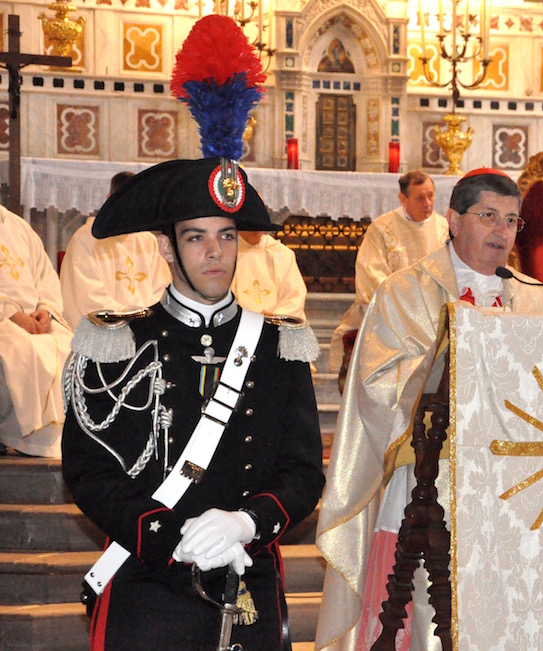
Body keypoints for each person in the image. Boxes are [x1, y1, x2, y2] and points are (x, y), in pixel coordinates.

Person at [60, 15, 325, 650]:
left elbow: (303, 471)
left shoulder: (278, 344)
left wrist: (245, 522)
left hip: (248, 574)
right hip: (150, 583)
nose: (215, 253)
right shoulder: (116, 340)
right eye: (196, 237)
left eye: (227, 237)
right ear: (166, 248)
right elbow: (89, 471)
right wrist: (165, 536)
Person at [314, 169, 543, 651]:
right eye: (488, 216)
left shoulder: (540, 300)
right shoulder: (404, 292)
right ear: (453, 220)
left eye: (512, 220)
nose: (502, 231)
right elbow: (373, 385)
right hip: (429, 481)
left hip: (519, 490)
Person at [327, 170, 449, 373]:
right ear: (403, 198)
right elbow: (371, 274)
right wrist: (405, 302)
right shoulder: (382, 228)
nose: (427, 203)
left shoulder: (443, 228)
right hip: (393, 310)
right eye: (420, 198)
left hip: (434, 310)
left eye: (431, 196)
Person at [0, 205, 74, 457]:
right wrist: (11, 314)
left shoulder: (19, 227)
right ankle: (14, 434)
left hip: (34, 320)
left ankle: (54, 439)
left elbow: (46, 278)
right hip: (4, 319)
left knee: (70, 346)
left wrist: (46, 310)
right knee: (20, 349)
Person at [60, 171, 172, 328]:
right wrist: (129, 318)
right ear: (108, 199)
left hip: (147, 328)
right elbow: (87, 296)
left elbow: (162, 290)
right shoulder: (86, 239)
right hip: (104, 331)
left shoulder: (148, 240)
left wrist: (146, 319)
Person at [231, 230, 308, 320]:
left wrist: (275, 317)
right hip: (240, 325)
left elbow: (295, 296)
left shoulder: (282, 254)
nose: (256, 230)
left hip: (278, 326)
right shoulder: (226, 252)